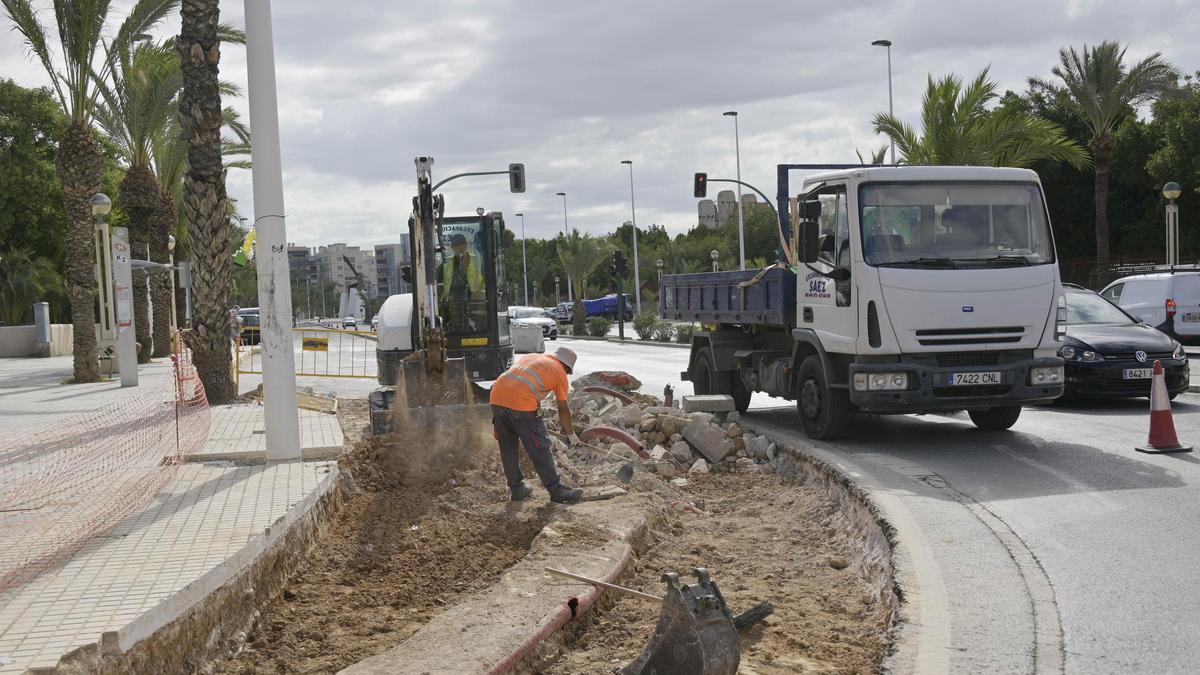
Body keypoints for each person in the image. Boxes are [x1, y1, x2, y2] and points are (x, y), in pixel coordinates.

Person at [489, 346, 584, 504]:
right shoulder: (560, 372)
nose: (566, 374)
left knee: (508, 449)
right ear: (566, 367)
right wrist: (570, 433)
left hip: (497, 399)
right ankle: (557, 491)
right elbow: (563, 408)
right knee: (540, 448)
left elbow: (523, 383)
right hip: (521, 404)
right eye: (568, 371)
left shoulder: (532, 357)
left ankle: (517, 489)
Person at [440, 233, 484, 302]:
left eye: (463, 243)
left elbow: (488, 279)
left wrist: (480, 293)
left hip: (475, 300)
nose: (461, 247)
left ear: (467, 244)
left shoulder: (478, 260)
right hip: (451, 302)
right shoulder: (446, 263)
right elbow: (437, 282)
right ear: (452, 247)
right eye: (457, 244)